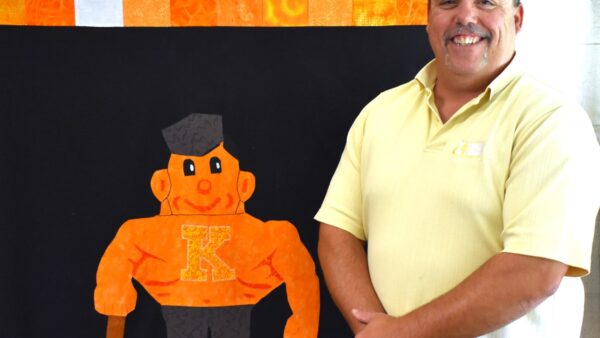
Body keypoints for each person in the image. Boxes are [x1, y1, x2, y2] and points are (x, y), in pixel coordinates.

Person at [315, 0, 600, 337]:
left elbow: (535, 269)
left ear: (517, 18)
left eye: (486, 2)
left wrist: (402, 333)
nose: (465, 16)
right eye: (448, 2)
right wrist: (374, 329)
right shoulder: (380, 113)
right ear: (428, 19)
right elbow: (337, 233)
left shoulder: (551, 122)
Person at [95, 114, 319, 338]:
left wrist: (302, 329)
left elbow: (300, 274)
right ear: (162, 184)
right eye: (189, 169)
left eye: (216, 166)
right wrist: (115, 304)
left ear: (245, 184)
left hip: (231, 307)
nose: (203, 185)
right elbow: (120, 259)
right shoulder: (140, 234)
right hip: (183, 307)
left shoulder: (273, 236)